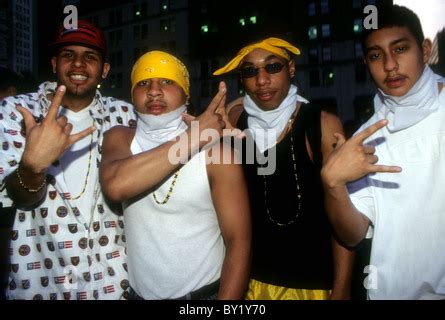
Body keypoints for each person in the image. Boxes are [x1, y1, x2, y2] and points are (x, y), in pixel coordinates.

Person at [0, 20, 139, 300]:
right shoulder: (16, 111)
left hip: (114, 284)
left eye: (90, 57)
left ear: (105, 69)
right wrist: (32, 167)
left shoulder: (126, 116)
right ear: (54, 63)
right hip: (41, 284)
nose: (78, 64)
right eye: (68, 55)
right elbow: (14, 196)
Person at [99, 51, 251, 300]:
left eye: (167, 82)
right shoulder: (120, 138)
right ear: (132, 94)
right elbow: (117, 186)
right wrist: (195, 135)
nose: (154, 91)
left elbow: (239, 242)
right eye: (144, 83)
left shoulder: (217, 153)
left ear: (186, 94)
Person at [213, 37, 353, 300]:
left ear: (290, 69)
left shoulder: (322, 124)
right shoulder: (233, 121)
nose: (262, 80)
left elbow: (343, 213)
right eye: (250, 71)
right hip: (250, 284)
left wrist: (342, 287)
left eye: (273, 67)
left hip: (313, 286)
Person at [320, 5, 445, 299]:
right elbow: (352, 234)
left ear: (425, 51)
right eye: (376, 55)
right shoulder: (368, 135)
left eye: (400, 49)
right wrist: (333, 184)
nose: (389, 65)